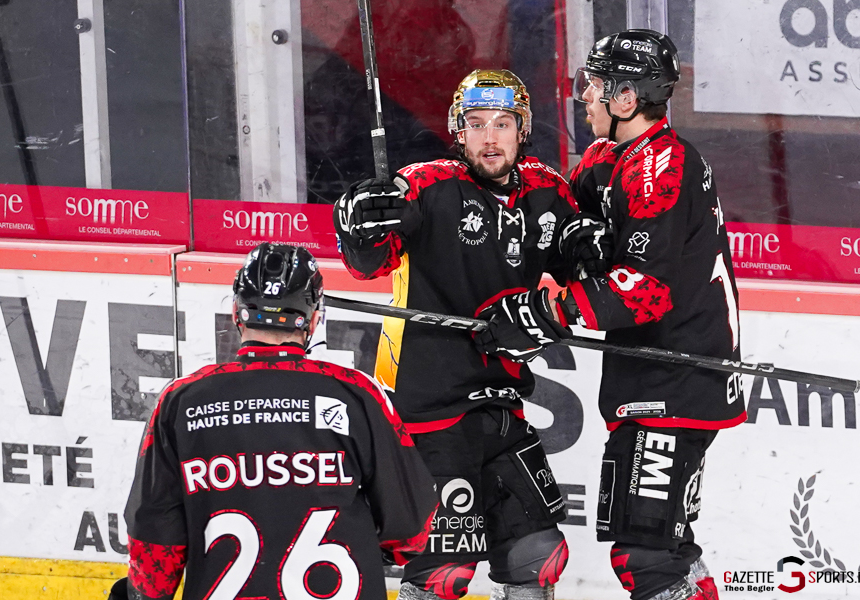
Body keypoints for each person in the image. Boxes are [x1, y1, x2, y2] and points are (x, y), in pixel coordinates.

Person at [333, 69, 591, 600]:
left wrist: (586, 259)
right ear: (459, 130)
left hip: (502, 404)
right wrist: (359, 225)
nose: (489, 137)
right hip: (427, 408)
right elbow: (369, 264)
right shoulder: (428, 184)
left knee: (537, 555)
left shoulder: (549, 192)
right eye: (475, 124)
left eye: (502, 124)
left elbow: (579, 284)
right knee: (440, 573)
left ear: (523, 130)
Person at [111, 243, 438, 600]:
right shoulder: (357, 395)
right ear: (314, 319)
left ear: (237, 314)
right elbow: (411, 530)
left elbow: (154, 548)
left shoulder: (180, 402)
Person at [555, 29, 747, 600]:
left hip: (680, 375)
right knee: (664, 547)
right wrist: (571, 238)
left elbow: (644, 291)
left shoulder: (663, 165)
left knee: (647, 552)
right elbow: (567, 224)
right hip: (652, 372)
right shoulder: (610, 157)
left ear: (626, 99)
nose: (584, 96)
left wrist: (552, 310)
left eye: (595, 85)